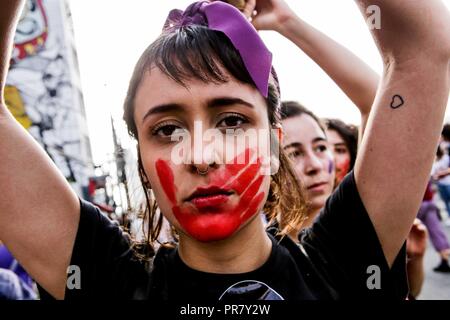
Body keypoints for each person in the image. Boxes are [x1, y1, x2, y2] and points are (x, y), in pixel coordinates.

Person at [1, 0, 449, 301]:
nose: (200, 154)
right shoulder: (106, 280)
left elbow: (424, 49)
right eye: (168, 129)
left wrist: (287, 21)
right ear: (141, 161)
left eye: (232, 121)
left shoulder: (342, 266)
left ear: (274, 145)